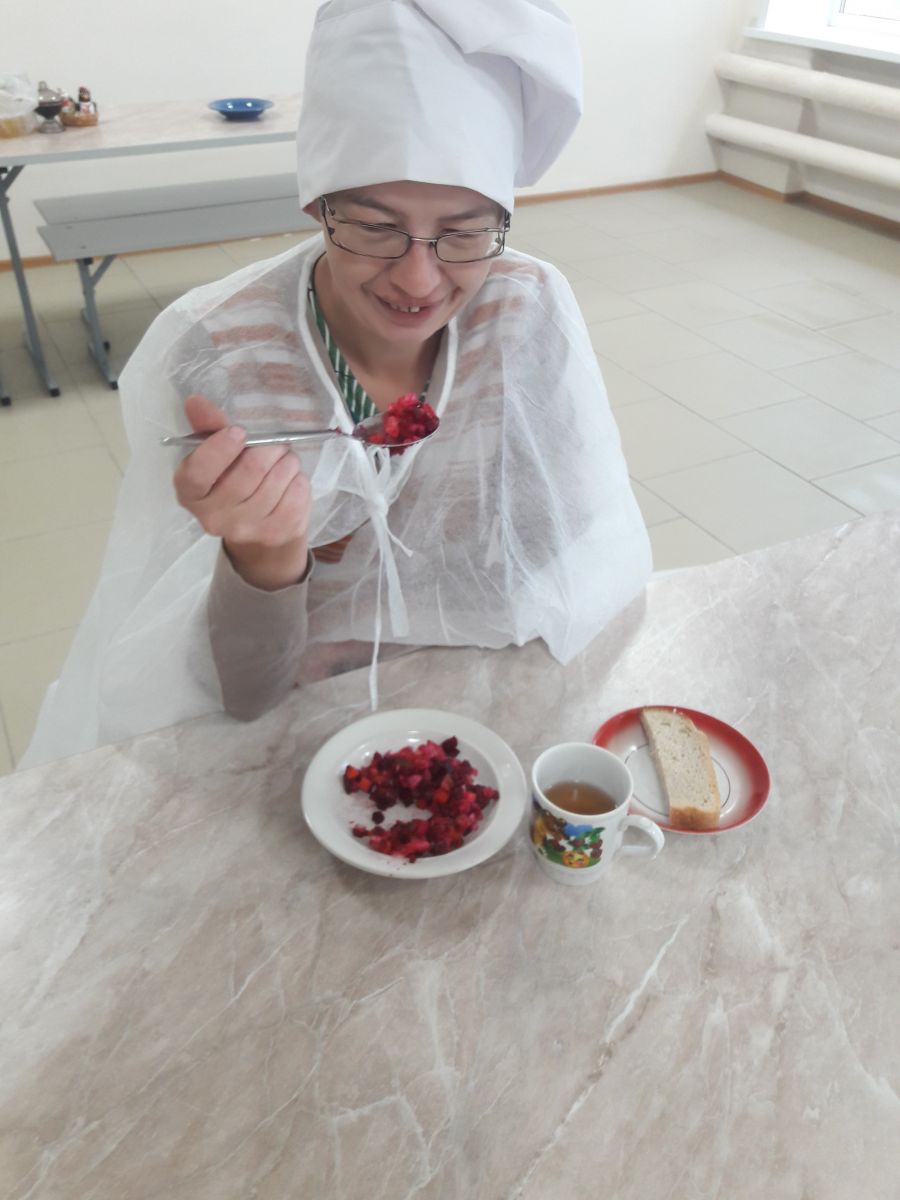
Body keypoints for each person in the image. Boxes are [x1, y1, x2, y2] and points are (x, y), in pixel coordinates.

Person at [21, 0, 652, 769]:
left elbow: (565, 560)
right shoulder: (226, 354)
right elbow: (243, 694)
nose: (418, 280)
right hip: (297, 727)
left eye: (463, 233)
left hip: (486, 696)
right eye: (375, 227)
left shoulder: (522, 313)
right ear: (317, 206)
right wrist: (268, 556)